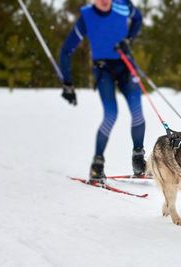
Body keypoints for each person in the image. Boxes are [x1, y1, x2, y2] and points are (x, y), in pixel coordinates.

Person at [59, 0, 146, 183]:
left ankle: (138, 157)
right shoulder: (86, 17)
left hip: (125, 66)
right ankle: (97, 164)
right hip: (103, 69)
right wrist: (67, 83)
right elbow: (66, 51)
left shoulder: (123, 6)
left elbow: (138, 19)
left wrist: (128, 40)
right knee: (111, 115)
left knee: (137, 111)